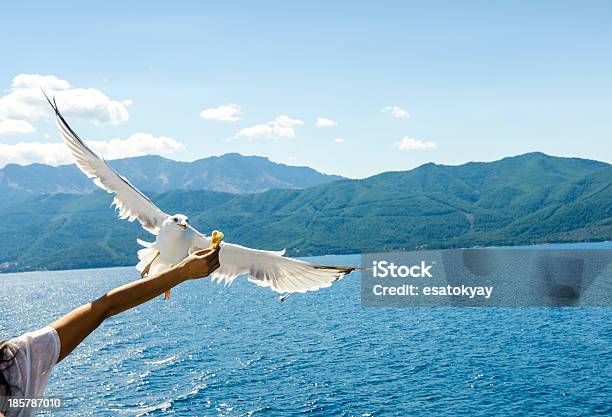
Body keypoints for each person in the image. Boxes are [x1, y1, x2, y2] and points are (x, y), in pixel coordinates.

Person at [0, 248, 220, 417]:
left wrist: (183, 272)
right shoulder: (15, 363)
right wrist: (182, 272)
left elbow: (104, 308)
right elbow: (104, 308)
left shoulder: (16, 360)